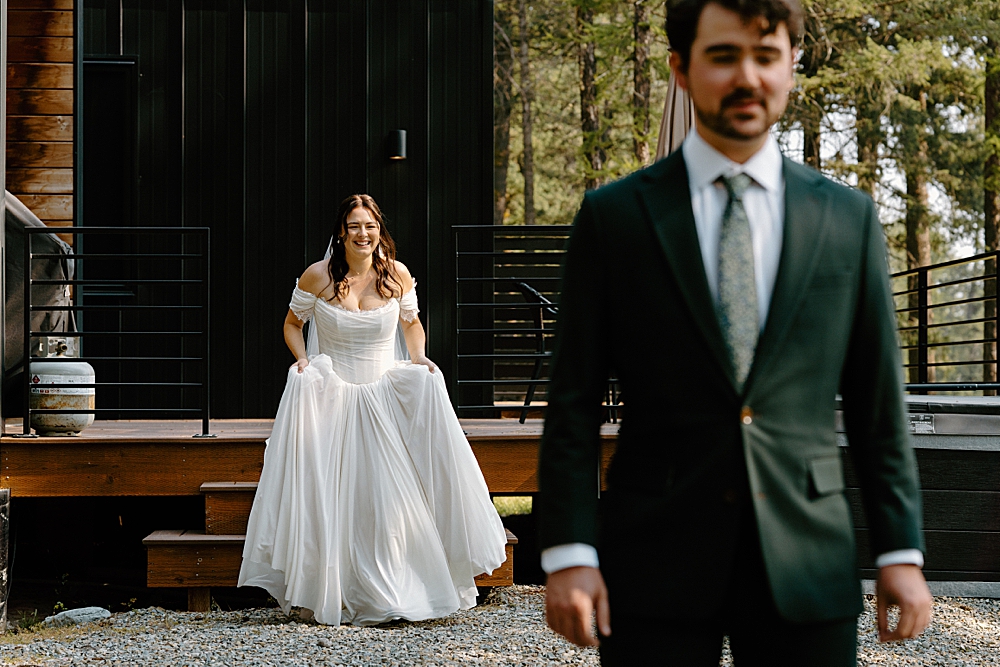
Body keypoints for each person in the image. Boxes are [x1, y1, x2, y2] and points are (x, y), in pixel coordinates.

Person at [537, 0, 933, 664]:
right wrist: (571, 552)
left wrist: (901, 548)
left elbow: (878, 406)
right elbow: (572, 404)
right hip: (654, 562)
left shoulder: (848, 219)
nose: (746, 76)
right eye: (723, 56)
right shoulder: (614, 220)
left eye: (766, 55)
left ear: (791, 67)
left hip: (807, 562)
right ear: (681, 69)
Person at [238, 194, 508, 626]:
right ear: (341, 232)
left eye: (370, 226)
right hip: (335, 396)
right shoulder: (318, 277)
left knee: (390, 499)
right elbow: (292, 324)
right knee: (337, 496)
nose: (363, 234)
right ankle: (336, 589)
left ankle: (397, 589)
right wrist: (302, 360)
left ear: (379, 230)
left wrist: (418, 358)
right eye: (354, 226)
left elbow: (411, 324)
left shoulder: (395, 275)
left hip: (382, 395)